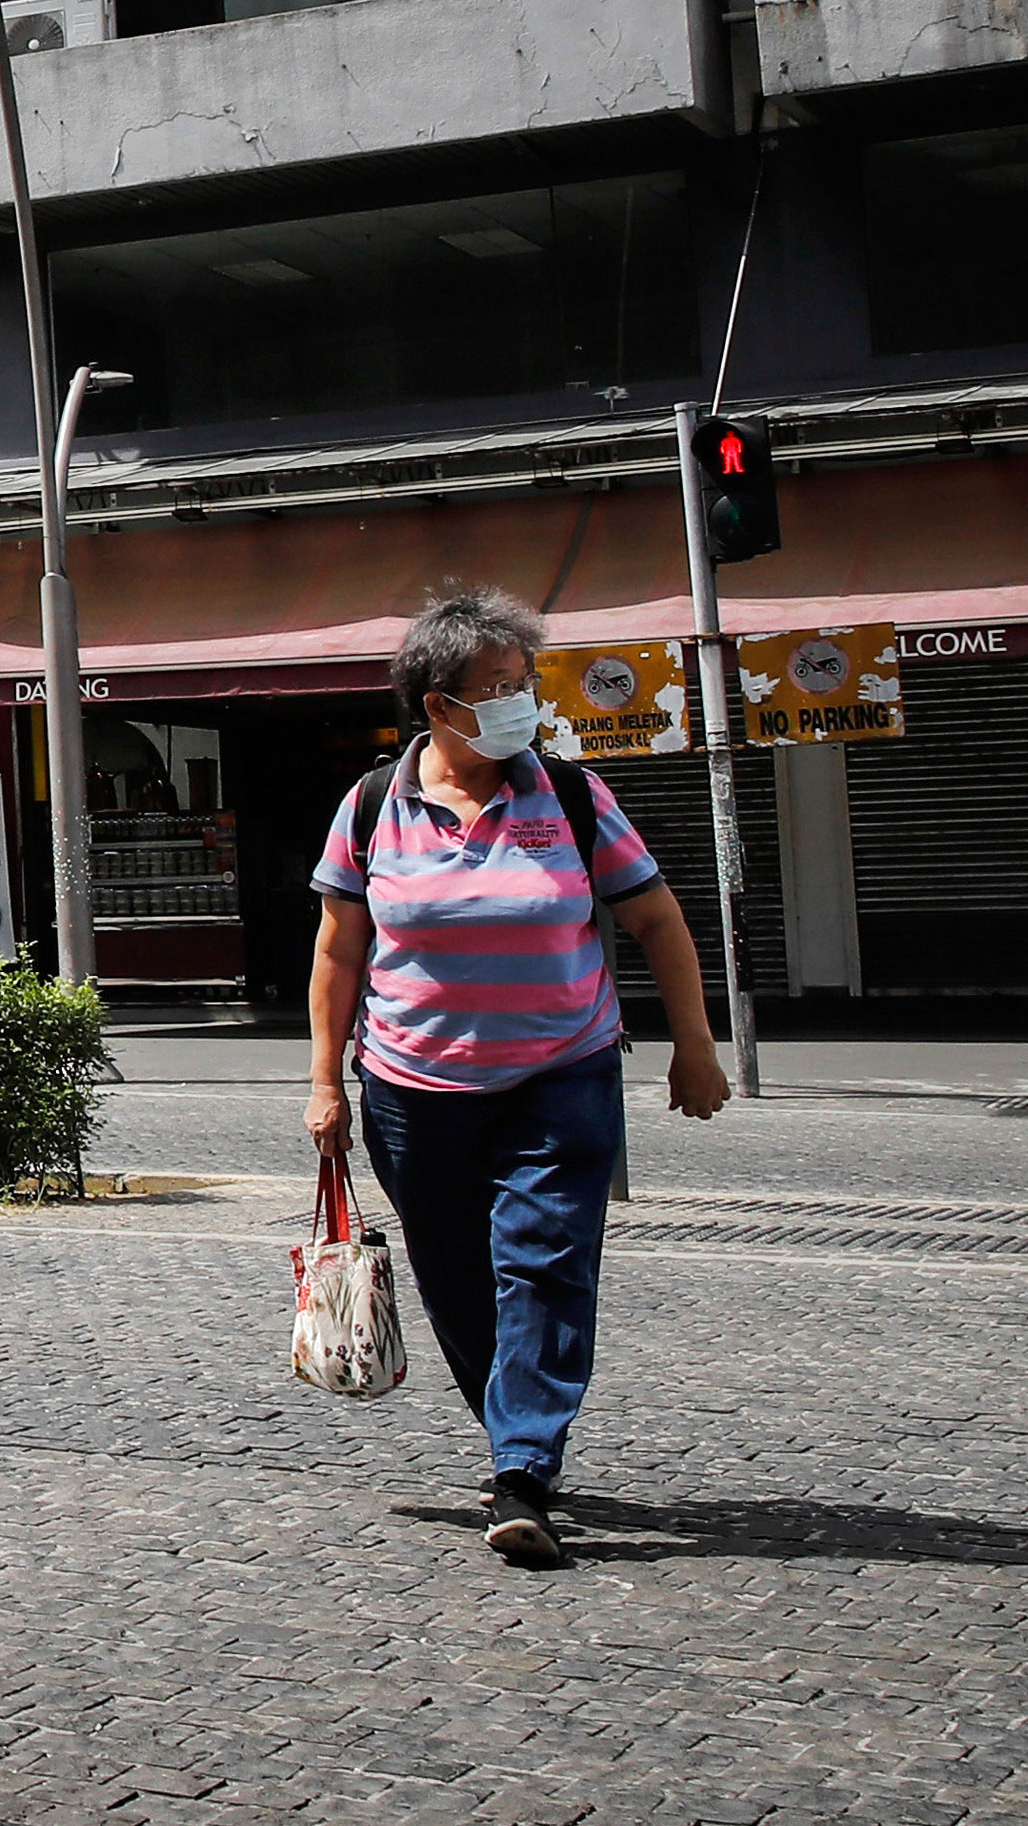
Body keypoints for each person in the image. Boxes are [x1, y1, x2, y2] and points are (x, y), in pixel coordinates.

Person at [307, 585, 730, 1568]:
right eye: (492, 686)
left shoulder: (570, 795)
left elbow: (656, 919)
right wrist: (323, 1081)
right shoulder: (373, 806)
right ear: (436, 705)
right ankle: (513, 1430)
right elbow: (336, 950)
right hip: (412, 1092)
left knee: (541, 1265)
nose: (515, 702)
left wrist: (693, 1042)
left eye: (519, 682)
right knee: (454, 1278)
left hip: (559, 1077)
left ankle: (522, 1471)